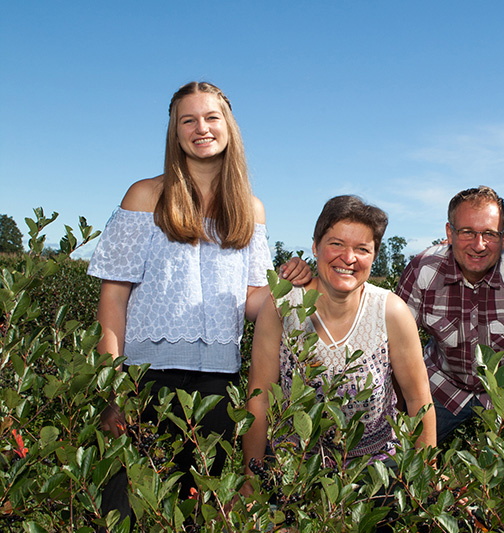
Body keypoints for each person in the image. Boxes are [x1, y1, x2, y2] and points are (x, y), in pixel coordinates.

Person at [88, 81, 310, 526]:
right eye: (187, 120)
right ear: (175, 132)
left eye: (211, 117)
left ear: (229, 127)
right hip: (143, 382)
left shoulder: (251, 209)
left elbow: (251, 301)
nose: (200, 128)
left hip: (219, 389)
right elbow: (112, 302)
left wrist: (286, 285)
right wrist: (111, 392)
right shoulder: (144, 195)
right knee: (126, 512)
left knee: (203, 515)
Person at [242, 195, 436, 496]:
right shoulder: (281, 308)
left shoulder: (391, 312)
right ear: (315, 246)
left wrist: (425, 481)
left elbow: (418, 401)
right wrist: (251, 478)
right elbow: (259, 400)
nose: (348, 258)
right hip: (293, 470)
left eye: (362, 249)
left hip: (374, 475)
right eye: (336, 244)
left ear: (374, 256)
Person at [396, 186, 504, 443]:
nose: (479, 245)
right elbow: (393, 347)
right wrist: (400, 409)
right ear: (449, 233)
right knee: (399, 458)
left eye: (489, 233)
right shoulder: (423, 271)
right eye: (467, 232)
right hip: (443, 383)